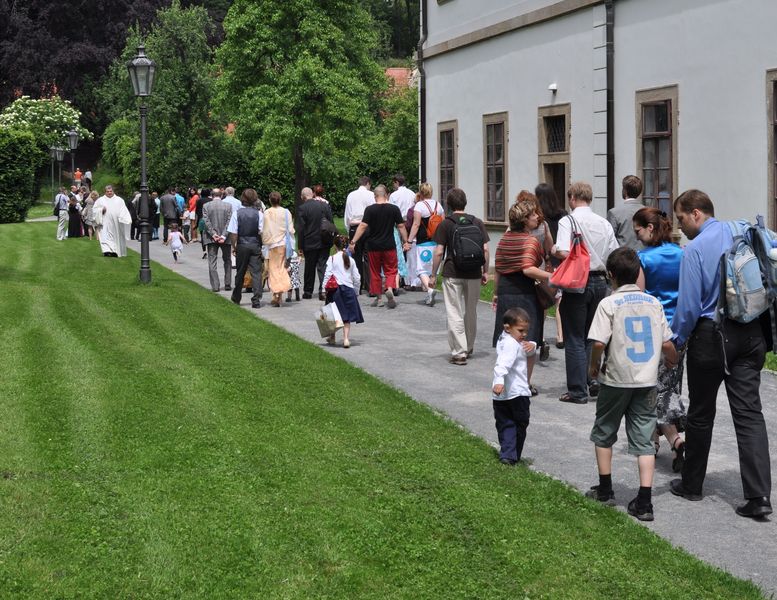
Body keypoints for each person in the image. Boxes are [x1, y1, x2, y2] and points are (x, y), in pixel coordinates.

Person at [668, 189, 772, 518]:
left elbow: (688, 307)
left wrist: (676, 340)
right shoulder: (741, 232)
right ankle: (759, 496)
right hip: (751, 331)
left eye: (681, 219)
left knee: (701, 413)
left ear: (696, 213)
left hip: (710, 337)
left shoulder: (694, 249)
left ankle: (692, 485)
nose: (680, 227)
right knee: (750, 414)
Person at [585, 247, 678, 522]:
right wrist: (672, 360)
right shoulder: (654, 303)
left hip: (616, 380)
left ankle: (605, 489)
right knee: (644, 438)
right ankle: (645, 501)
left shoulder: (608, 304)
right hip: (646, 381)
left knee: (604, 430)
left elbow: (599, 343)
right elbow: (667, 343)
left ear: (610, 275)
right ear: (638, 273)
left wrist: (594, 365)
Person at [552, 181, 619, 404]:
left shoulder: (568, 221)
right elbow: (614, 252)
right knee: (593, 334)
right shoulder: (603, 222)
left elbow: (563, 251)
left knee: (574, 337)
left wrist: (554, 249)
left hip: (577, 281)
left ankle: (577, 390)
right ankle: (592, 379)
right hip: (600, 280)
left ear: (572, 198)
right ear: (589, 198)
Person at [633, 207, 687, 471]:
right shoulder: (681, 253)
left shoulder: (642, 258)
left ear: (650, 228)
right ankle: (655, 441)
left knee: (652, 389)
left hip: (654, 330)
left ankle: (675, 441)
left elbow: (640, 296)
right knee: (670, 386)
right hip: (679, 330)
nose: (636, 236)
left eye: (638, 230)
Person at [492, 197, 552, 394]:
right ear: (525, 219)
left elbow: (499, 269)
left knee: (507, 340)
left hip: (505, 291)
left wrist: (496, 293)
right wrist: (552, 276)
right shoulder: (530, 240)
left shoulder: (504, 239)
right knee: (528, 342)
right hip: (524, 293)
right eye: (533, 214)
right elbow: (528, 269)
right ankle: (524, 383)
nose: (537, 217)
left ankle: (507, 380)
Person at [431, 188, 490, 365]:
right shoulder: (477, 222)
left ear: (448, 204)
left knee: (454, 311)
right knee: (471, 311)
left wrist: (433, 274)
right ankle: (469, 346)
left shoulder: (446, 224)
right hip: (474, 273)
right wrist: (485, 271)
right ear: (465, 202)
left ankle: (459, 352)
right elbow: (486, 250)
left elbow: (439, 252)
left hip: (453, 272)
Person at [348, 184, 410, 308]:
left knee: (375, 272)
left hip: (373, 246)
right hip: (389, 245)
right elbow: (401, 226)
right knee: (391, 270)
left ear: (375, 196)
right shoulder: (394, 209)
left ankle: (379, 298)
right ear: (386, 195)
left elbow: (363, 226)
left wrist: (353, 241)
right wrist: (406, 241)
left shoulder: (370, 209)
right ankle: (389, 288)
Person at [491, 307, 537, 466]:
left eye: (526, 331)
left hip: (502, 395)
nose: (524, 334)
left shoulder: (505, 339)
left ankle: (508, 453)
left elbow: (527, 350)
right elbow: (502, 364)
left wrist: (532, 345)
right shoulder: (511, 344)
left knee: (505, 423)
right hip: (518, 392)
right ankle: (512, 454)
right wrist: (499, 381)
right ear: (507, 327)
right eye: (521, 330)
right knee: (519, 423)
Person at [535, 183, 567, 349]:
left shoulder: (539, 218)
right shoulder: (564, 214)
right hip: (561, 261)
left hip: (545, 262)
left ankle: (540, 334)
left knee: (544, 297)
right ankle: (561, 335)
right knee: (560, 300)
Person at [323, 235, 364, 348]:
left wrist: (323, 289)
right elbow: (357, 278)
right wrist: (356, 291)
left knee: (333, 314)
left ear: (335, 246)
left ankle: (332, 337)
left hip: (335, 289)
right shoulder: (351, 260)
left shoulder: (332, 258)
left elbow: (327, 274)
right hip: (348, 289)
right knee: (346, 315)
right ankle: (346, 339)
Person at [407, 182, 444, 306]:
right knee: (433, 268)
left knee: (421, 269)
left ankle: (430, 290)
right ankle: (430, 291)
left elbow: (416, 224)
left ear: (421, 193)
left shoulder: (419, 206)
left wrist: (409, 240)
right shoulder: (439, 206)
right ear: (431, 192)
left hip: (423, 241)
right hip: (437, 241)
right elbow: (443, 224)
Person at [228, 188, 264, 309]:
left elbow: (233, 233)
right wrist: (261, 246)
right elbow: (261, 232)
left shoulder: (236, 213)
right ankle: (256, 299)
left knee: (240, 272)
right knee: (256, 273)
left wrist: (234, 246)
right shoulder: (259, 214)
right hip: (255, 244)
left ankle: (237, 296)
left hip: (242, 244)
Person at [297, 186, 334, 300]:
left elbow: (301, 229)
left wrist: (300, 246)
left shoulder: (302, 208)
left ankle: (308, 291)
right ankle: (323, 291)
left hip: (310, 241)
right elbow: (331, 223)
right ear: (312, 194)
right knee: (323, 266)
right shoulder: (324, 205)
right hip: (324, 240)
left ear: (302, 197)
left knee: (309, 267)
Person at [262, 191, 294, 307]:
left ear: (270, 200)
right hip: (284, 243)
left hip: (272, 244)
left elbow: (264, 230)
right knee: (281, 268)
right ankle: (279, 295)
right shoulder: (286, 212)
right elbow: (290, 229)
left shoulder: (267, 213)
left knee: (274, 270)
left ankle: (276, 293)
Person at [344, 176, 375, 292]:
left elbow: (347, 214)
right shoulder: (371, 195)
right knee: (368, 256)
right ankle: (370, 285)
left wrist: (349, 229)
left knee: (356, 257)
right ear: (368, 183)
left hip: (354, 226)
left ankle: (358, 285)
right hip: (368, 226)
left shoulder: (351, 195)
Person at [202, 189, 233, 292]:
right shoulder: (228, 206)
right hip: (225, 238)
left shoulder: (206, 206)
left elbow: (206, 221)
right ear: (222, 195)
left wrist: (213, 234)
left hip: (211, 238)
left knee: (212, 261)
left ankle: (215, 286)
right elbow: (229, 222)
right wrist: (223, 235)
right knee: (227, 260)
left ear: (211, 195)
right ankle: (228, 283)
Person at [607, 175, 645, 251]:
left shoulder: (614, 212)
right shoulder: (647, 211)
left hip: (623, 255)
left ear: (625, 190)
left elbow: (609, 239)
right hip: (643, 255)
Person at [93, 185, 132, 257]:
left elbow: (123, 210)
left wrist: (124, 218)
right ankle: (107, 251)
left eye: (110, 191)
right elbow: (94, 210)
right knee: (105, 236)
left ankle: (114, 251)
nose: (109, 193)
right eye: (107, 191)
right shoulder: (100, 200)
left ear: (113, 191)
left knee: (115, 237)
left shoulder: (119, 200)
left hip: (116, 223)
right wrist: (101, 210)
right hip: (104, 222)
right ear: (105, 192)